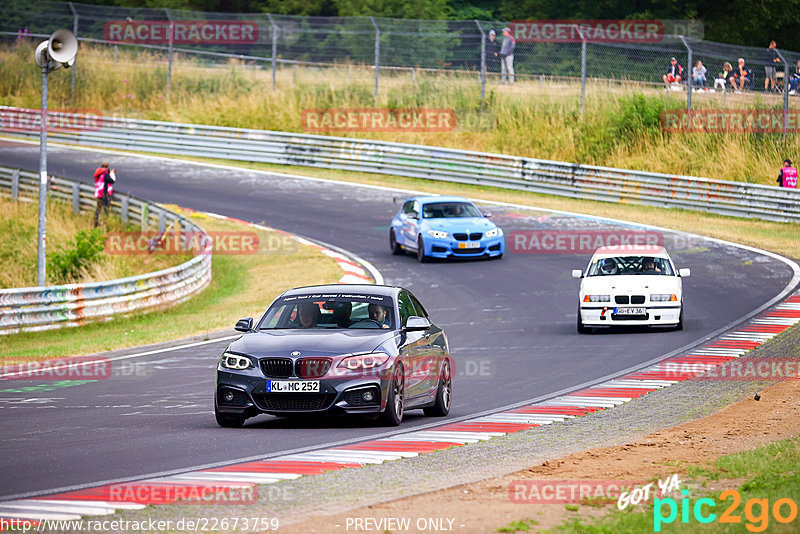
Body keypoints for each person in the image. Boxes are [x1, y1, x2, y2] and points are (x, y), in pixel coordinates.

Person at [93, 162, 115, 227]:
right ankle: (104, 222)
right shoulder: (104, 174)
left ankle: (96, 223)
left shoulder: (98, 173)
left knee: (98, 208)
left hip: (97, 193)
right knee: (105, 207)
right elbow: (112, 180)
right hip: (102, 193)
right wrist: (112, 173)